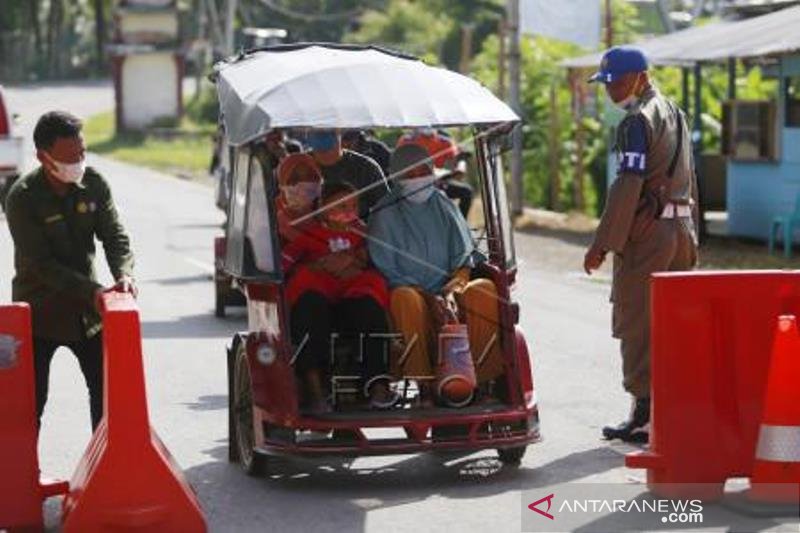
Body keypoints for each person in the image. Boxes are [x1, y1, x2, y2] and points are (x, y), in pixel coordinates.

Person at [583, 46, 699, 444]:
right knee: (673, 323)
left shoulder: (636, 123)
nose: (611, 90)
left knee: (637, 321)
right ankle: (666, 409)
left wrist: (602, 243)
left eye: (616, 82)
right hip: (680, 230)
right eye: (606, 84)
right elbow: (689, 178)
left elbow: (628, 185)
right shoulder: (676, 114)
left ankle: (646, 414)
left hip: (649, 237)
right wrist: (692, 235)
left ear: (640, 78)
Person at [5, 111, 136, 431]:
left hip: (87, 315)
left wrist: (124, 274)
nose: (78, 162)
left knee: (107, 399)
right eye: (69, 157)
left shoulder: (93, 183)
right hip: (40, 313)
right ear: (42, 157)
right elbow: (42, 265)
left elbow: (114, 234)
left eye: (82, 153)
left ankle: (105, 474)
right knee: (29, 405)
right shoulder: (22, 198)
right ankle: (22, 478)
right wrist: (92, 292)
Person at [368, 143, 505, 406]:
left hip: (449, 289)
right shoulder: (384, 214)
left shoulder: (444, 205)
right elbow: (387, 270)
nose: (418, 178)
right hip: (412, 293)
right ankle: (424, 385)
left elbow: (464, 259)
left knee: (484, 288)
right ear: (397, 176)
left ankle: (482, 382)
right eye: (411, 173)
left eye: (424, 171)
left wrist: (452, 291)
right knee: (404, 297)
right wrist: (431, 299)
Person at [284, 181, 391, 412]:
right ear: (323, 207)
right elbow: (285, 262)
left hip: (352, 297)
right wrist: (317, 265)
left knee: (371, 302)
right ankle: (315, 391)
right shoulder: (310, 234)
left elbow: (380, 257)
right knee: (307, 300)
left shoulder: (365, 233)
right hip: (320, 298)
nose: (347, 211)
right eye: (340, 205)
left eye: (352, 205)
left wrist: (355, 258)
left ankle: (378, 386)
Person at [307, 129, 389, 221]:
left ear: (340, 131)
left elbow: (387, 210)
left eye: (327, 129)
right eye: (316, 130)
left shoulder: (365, 167)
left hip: (357, 233)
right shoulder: (298, 166)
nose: (321, 136)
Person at [397, 128, 474, 219]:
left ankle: (461, 225)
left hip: (439, 182)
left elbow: (456, 168)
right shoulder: (407, 140)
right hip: (414, 185)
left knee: (466, 192)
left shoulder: (445, 141)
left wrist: (461, 162)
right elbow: (399, 164)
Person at [275, 153, 322, 242]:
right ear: (282, 185)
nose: (303, 188)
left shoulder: (329, 205)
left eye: (309, 177)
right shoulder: (270, 213)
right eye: (294, 180)